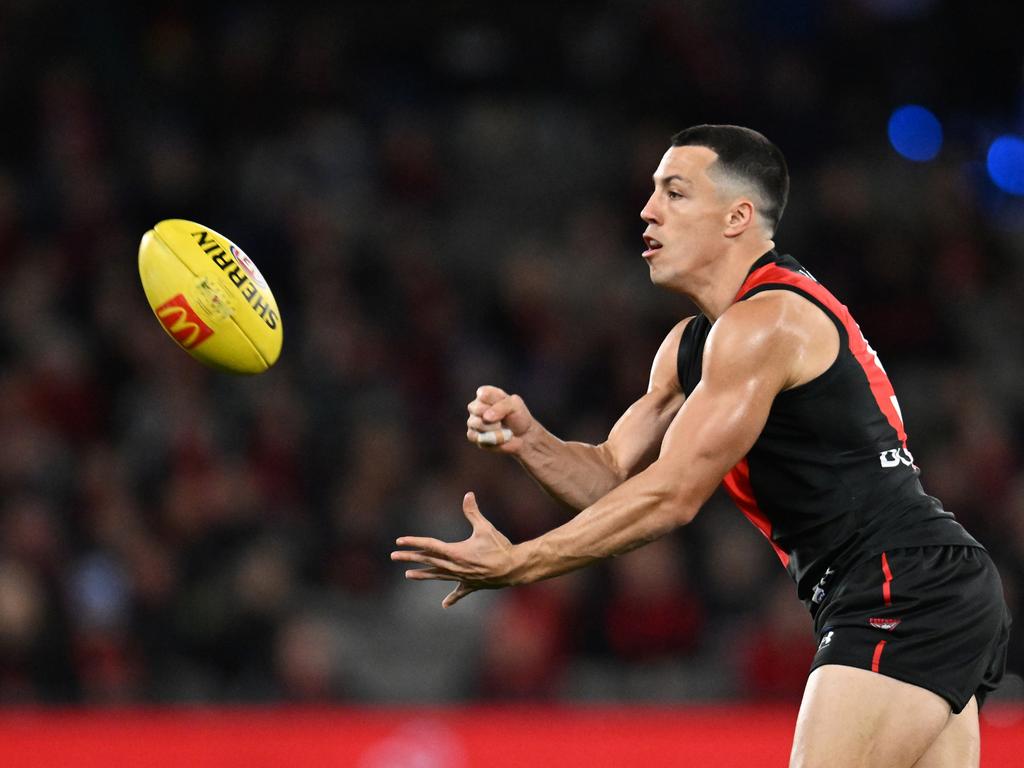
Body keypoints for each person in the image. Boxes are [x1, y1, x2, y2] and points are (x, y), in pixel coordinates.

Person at [390, 125, 1011, 767]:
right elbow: (612, 476)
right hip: (918, 586)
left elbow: (672, 498)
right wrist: (532, 442)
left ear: (737, 217)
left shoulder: (767, 322)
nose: (647, 210)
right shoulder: (695, 344)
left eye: (675, 193)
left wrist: (522, 563)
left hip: (899, 587)